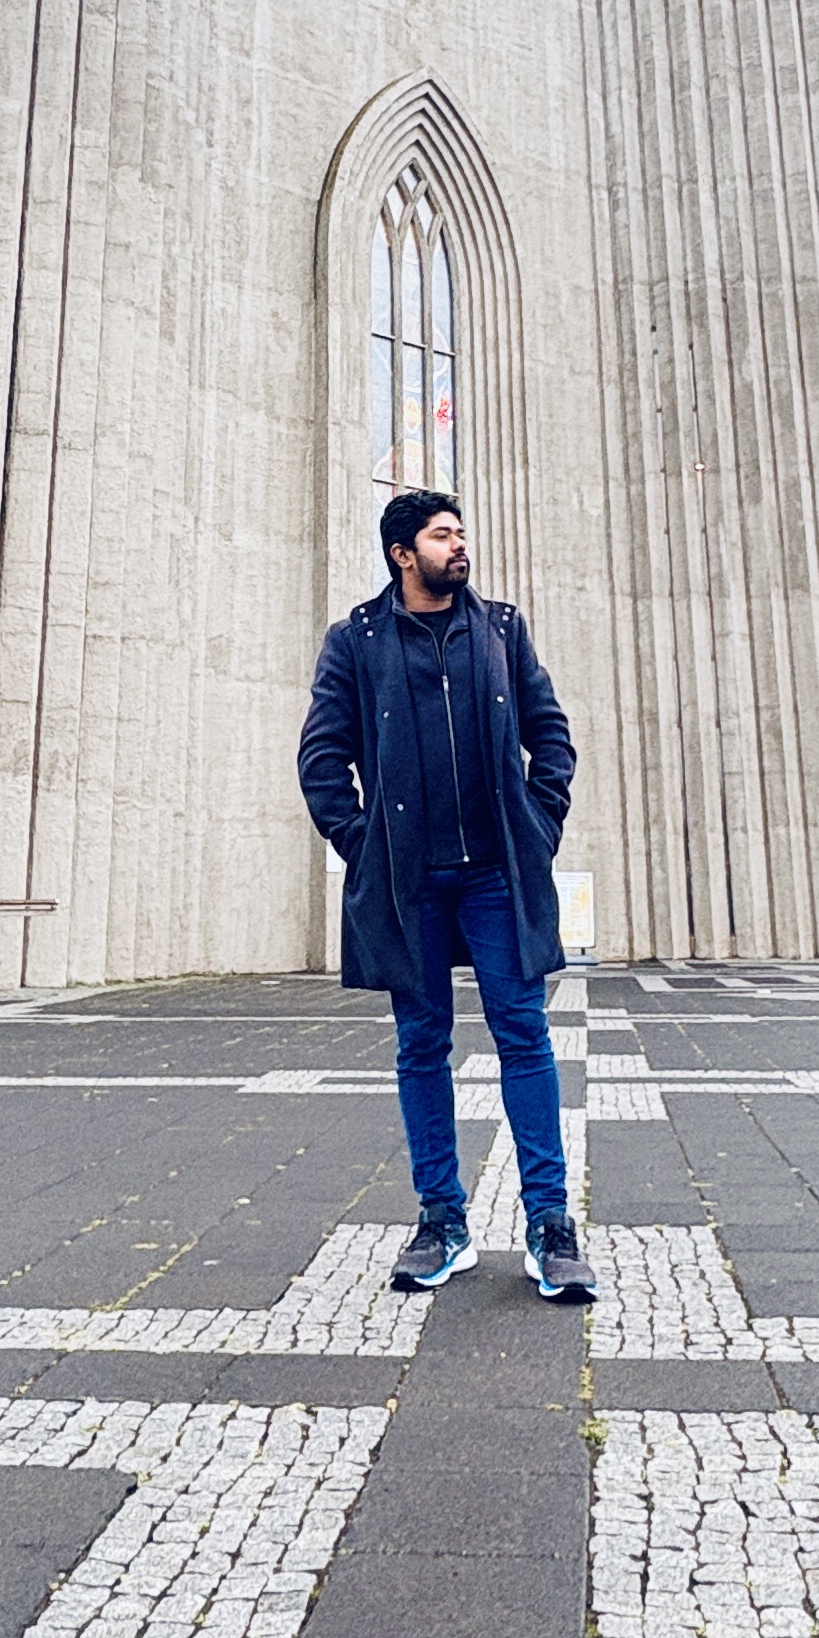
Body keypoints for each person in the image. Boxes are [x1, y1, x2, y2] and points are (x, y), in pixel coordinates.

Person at [296, 487, 597, 1305]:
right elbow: (322, 758)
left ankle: (549, 1223)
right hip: (408, 882)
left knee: (524, 1035)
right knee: (420, 1043)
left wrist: (538, 822)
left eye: (460, 532)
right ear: (403, 553)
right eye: (442, 535)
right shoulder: (355, 640)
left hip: (496, 873)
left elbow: (550, 731)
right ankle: (442, 1218)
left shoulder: (500, 628)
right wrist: (364, 846)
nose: (458, 545)